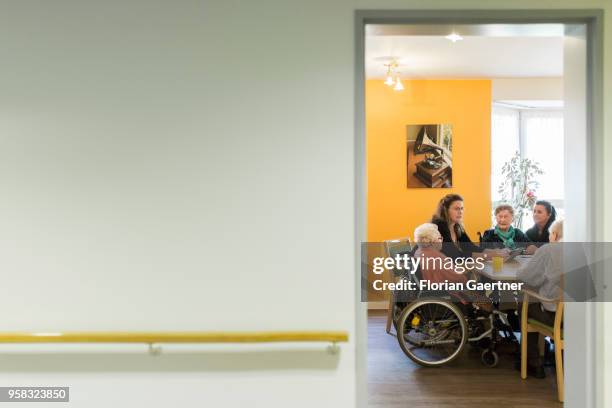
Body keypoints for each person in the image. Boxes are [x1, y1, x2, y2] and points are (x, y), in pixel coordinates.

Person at [516, 219, 564, 378]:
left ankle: (532, 362)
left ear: (555, 235)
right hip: (581, 319)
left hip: (556, 317)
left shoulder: (550, 249)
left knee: (526, 301)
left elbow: (526, 277)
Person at [431, 194, 480, 259]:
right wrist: (487, 256)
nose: (460, 212)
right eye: (456, 209)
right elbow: (454, 254)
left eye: (462, 208)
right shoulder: (438, 226)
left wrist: (491, 252)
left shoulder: (457, 226)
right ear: (445, 210)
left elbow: (470, 247)